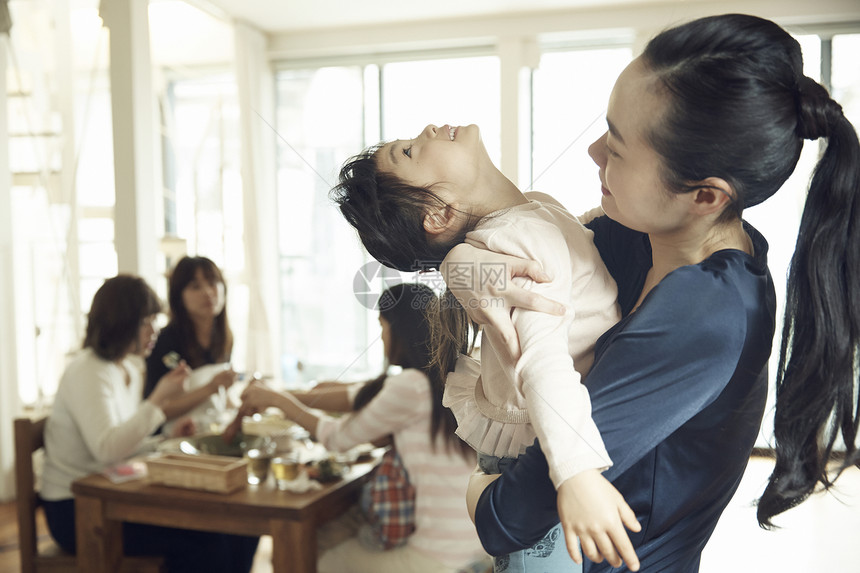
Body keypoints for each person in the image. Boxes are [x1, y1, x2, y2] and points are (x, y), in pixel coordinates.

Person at [443, 13, 859, 572]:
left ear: (705, 196)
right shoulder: (646, 238)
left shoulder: (706, 313)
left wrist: (477, 485)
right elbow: (512, 240)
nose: (593, 153)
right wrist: (467, 267)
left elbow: (508, 517)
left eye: (616, 148)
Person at [331, 122, 640, 570]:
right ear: (438, 215)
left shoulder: (536, 211)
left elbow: (581, 241)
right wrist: (577, 475)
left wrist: (455, 262)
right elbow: (541, 361)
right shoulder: (515, 243)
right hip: (548, 457)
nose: (429, 129)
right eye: (413, 151)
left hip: (551, 445)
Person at [238, 283, 490, 573]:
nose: (381, 337)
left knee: (312, 558)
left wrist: (277, 400)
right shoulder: (453, 374)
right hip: (477, 544)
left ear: (398, 330)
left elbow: (336, 438)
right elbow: (357, 394)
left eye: (382, 326)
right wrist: (285, 394)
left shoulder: (410, 386)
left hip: (438, 559)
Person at [41, 274, 259, 573]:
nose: (154, 331)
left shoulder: (124, 367)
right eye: (146, 322)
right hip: (78, 508)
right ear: (121, 322)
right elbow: (107, 449)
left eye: (155, 320)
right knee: (207, 542)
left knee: (238, 528)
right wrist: (157, 399)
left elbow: (123, 440)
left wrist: (162, 438)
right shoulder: (88, 371)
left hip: (113, 493)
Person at [144, 256, 238, 430]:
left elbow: (222, 400)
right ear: (179, 297)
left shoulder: (225, 338)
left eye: (212, 283)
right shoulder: (164, 342)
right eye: (195, 286)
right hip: (174, 438)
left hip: (212, 430)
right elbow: (156, 409)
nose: (208, 292)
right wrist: (211, 387)